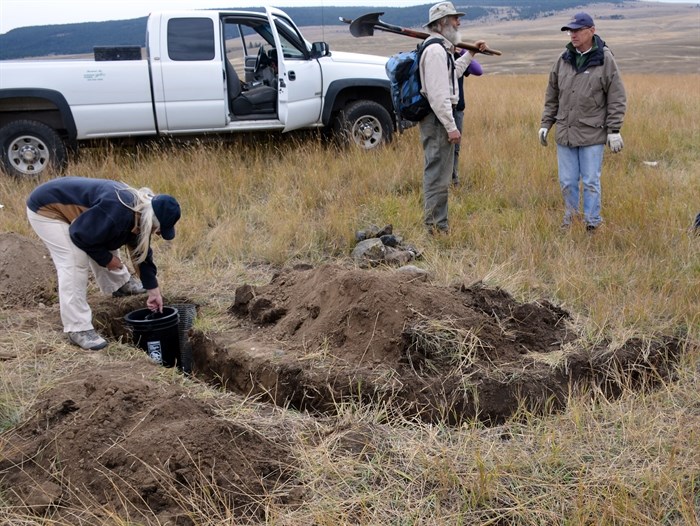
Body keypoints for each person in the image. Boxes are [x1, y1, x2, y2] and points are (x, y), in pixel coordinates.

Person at [26, 176, 181, 350]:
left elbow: (141, 255)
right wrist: (107, 260)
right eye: (159, 229)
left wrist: (154, 291)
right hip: (48, 209)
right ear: (151, 220)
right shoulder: (117, 212)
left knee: (106, 234)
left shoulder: (139, 212)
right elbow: (80, 236)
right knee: (74, 260)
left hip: (88, 217)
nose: (159, 234)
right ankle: (78, 328)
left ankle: (119, 285)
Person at [539, 12, 627, 232]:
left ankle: (592, 222)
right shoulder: (563, 58)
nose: (573, 34)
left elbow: (617, 96)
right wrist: (545, 123)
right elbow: (552, 94)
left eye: (577, 30)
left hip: (593, 133)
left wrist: (614, 129)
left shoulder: (605, 59)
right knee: (567, 181)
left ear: (592, 31)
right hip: (565, 132)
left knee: (590, 181)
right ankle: (570, 219)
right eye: (570, 30)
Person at [419, 1, 487, 234]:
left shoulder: (442, 48)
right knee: (438, 174)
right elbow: (439, 96)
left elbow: (453, 75)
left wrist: (471, 54)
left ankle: (437, 224)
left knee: (439, 172)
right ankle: (436, 228)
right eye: (454, 18)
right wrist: (450, 126)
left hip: (439, 119)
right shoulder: (436, 51)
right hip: (438, 120)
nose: (459, 22)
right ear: (441, 23)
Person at [452, 56, 483, 187]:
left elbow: (478, 70)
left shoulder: (459, 57)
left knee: (455, 147)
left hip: (457, 109)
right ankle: (441, 181)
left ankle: (453, 178)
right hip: (440, 109)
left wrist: (465, 51)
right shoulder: (439, 53)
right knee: (441, 148)